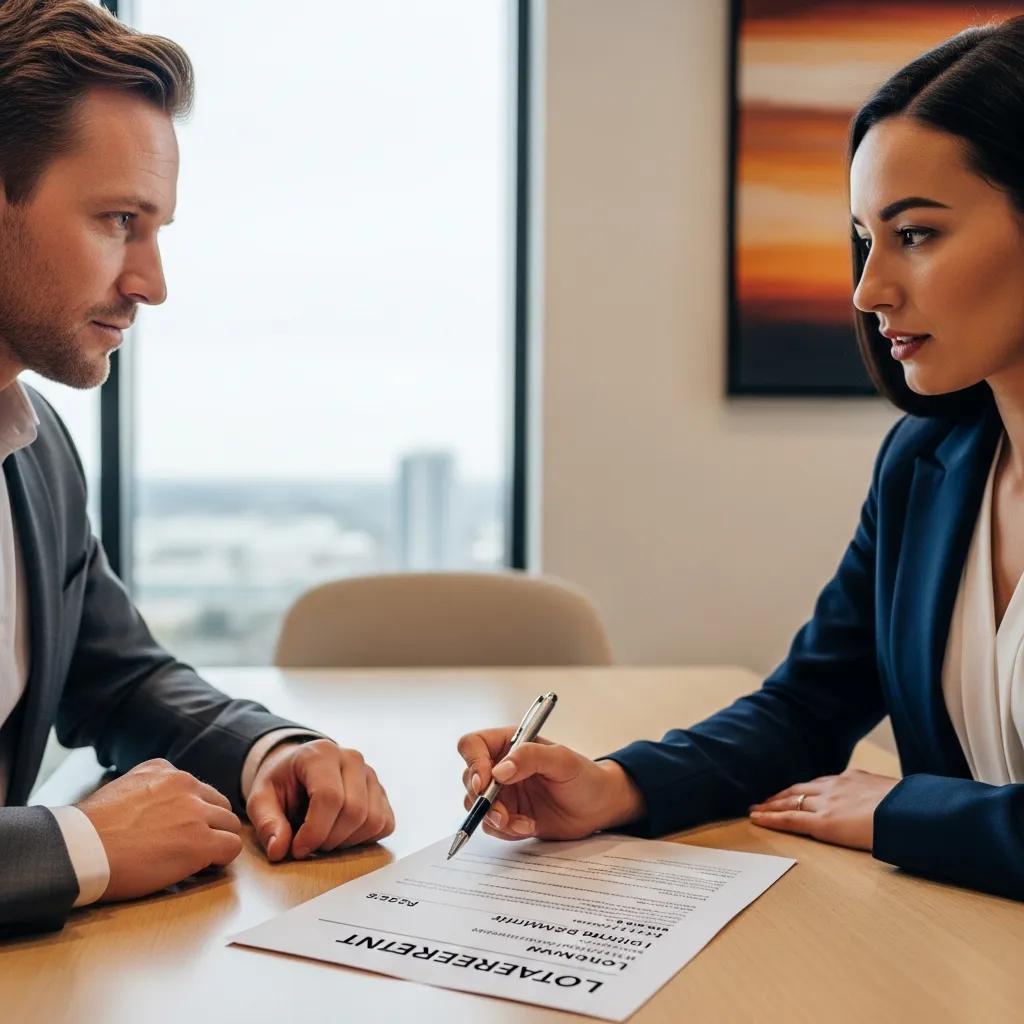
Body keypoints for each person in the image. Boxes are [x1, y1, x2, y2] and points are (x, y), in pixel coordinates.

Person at [457, 17, 1024, 902]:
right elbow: (806, 706)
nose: (868, 289)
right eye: (864, 239)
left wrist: (908, 812)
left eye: (915, 234)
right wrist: (612, 786)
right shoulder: (928, 464)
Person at [0, 0, 393, 937]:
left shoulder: (36, 452)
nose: (152, 282)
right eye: (119, 221)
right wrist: (79, 846)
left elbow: (121, 680)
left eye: (157, 229)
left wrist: (268, 753)